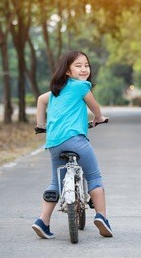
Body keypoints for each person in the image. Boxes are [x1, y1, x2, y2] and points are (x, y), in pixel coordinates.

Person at [32, 50, 113, 239]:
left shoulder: (56, 90)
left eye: (86, 65)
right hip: (76, 140)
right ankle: (101, 217)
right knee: (93, 176)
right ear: (67, 71)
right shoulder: (82, 86)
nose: (84, 69)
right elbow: (94, 107)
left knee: (56, 181)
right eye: (78, 65)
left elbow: (40, 100)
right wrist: (99, 118)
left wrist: (40, 125)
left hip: (53, 142)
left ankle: (43, 221)